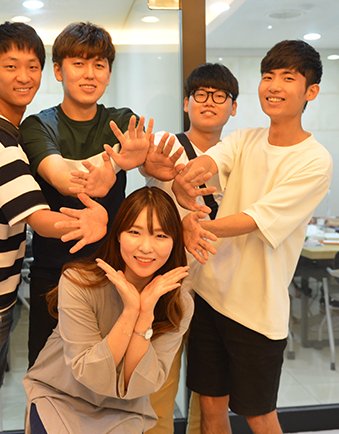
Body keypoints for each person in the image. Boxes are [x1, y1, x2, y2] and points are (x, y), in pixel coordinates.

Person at [0, 22, 108, 434]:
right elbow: (41, 220)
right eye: (10, 66)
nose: (24, 76)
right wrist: (92, 220)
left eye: (32, 66)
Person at [172, 40, 333, 434]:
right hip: (209, 294)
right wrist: (183, 178)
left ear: (311, 91)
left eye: (287, 78)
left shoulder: (315, 160)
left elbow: (256, 218)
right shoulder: (244, 138)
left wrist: (196, 226)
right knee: (210, 406)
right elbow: (209, 162)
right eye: (267, 76)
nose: (273, 86)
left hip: (256, 309)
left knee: (259, 415)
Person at [20, 21, 151, 369]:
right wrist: (111, 167)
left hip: (112, 273)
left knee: (109, 373)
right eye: (78, 63)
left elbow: (148, 159)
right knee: (47, 374)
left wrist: (133, 164)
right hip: (54, 273)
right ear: (58, 71)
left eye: (99, 65)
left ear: (109, 74)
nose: (89, 74)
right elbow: (60, 177)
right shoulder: (38, 125)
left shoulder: (121, 121)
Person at [23, 187, 204, 433]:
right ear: (118, 234)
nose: (146, 247)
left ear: (175, 243)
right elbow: (90, 374)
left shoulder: (178, 303)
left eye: (160, 236)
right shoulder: (78, 282)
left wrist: (144, 314)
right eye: (135, 232)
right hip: (61, 398)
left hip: (125, 409)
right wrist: (130, 311)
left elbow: (139, 385)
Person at [142, 62, 238, 434]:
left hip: (221, 288)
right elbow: (147, 166)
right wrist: (145, 163)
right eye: (200, 94)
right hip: (170, 285)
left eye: (220, 96)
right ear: (186, 103)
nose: (209, 102)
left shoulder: (240, 154)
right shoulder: (167, 145)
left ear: (233, 107)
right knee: (158, 386)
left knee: (210, 395)